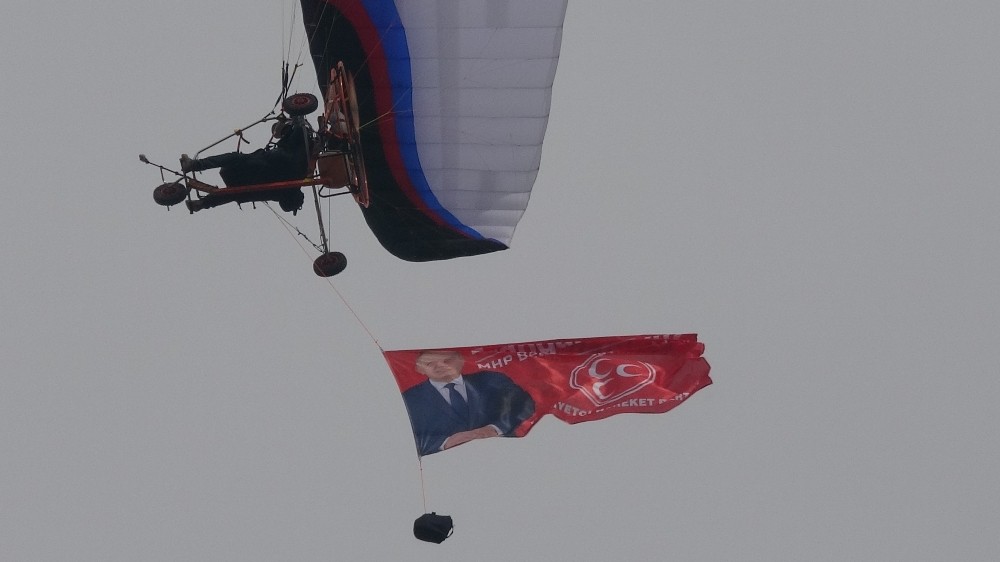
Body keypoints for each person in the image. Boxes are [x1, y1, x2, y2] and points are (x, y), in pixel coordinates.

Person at [401, 350, 535, 456]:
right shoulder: (408, 399)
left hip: (505, 454)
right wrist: (445, 443)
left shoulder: (491, 380)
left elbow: (525, 404)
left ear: (461, 360)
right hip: (443, 466)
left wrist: (494, 428)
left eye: (447, 360)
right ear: (420, 368)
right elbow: (399, 435)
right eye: (430, 363)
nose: (440, 365)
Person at [179, 117, 313, 213]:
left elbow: (299, 132)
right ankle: (201, 203)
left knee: (235, 160)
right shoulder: (288, 187)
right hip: (260, 175)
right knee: (235, 192)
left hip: (271, 167)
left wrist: (297, 118)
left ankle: (194, 166)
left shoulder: (299, 142)